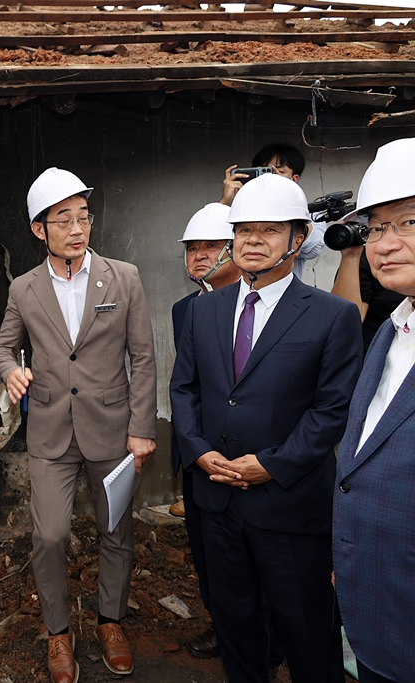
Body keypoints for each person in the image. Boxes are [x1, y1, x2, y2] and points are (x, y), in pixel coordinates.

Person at [170, 172, 362, 683]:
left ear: (298, 240)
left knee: (306, 631)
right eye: (243, 229)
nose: (252, 241)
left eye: (269, 230)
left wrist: (270, 465)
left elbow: (330, 411)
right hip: (217, 501)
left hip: (289, 507)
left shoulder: (331, 317)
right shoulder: (202, 311)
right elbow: (184, 389)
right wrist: (197, 450)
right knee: (236, 626)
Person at [0, 167, 157, 681]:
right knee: (49, 535)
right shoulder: (24, 289)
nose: (78, 228)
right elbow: (2, 348)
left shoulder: (123, 276)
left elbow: (144, 357)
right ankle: (58, 634)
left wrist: (143, 427)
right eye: (63, 219)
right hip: (49, 430)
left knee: (116, 530)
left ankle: (111, 622)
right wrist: (12, 372)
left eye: (83, 217)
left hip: (112, 429)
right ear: (39, 229)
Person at [333, 137, 415, 683]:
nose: (386, 243)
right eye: (377, 228)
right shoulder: (390, 332)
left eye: (407, 222)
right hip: (376, 607)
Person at [169, 202, 241, 660]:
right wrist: (193, 449)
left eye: (211, 245)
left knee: (250, 556)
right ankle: (224, 629)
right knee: (207, 554)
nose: (199, 255)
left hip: (247, 460)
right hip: (198, 458)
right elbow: (185, 385)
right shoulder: (183, 310)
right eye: (192, 247)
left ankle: (265, 639)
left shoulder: (260, 306)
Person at [220, 142, 326, 278]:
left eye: (278, 172)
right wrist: (224, 202)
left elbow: (314, 247)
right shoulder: (236, 211)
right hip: (235, 294)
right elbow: (212, 246)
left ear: (294, 179)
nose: (269, 178)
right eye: (264, 171)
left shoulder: (305, 213)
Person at [330, 246, 404, 353]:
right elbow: (345, 323)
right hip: (374, 358)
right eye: (376, 230)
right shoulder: (371, 257)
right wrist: (351, 257)